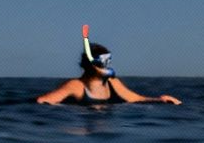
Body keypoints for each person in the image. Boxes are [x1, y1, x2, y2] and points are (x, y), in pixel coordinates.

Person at [36, 42, 180, 105]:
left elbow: (136, 98)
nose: (107, 66)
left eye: (108, 62)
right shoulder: (76, 86)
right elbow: (43, 101)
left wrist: (160, 100)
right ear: (91, 64)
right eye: (102, 62)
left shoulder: (113, 83)